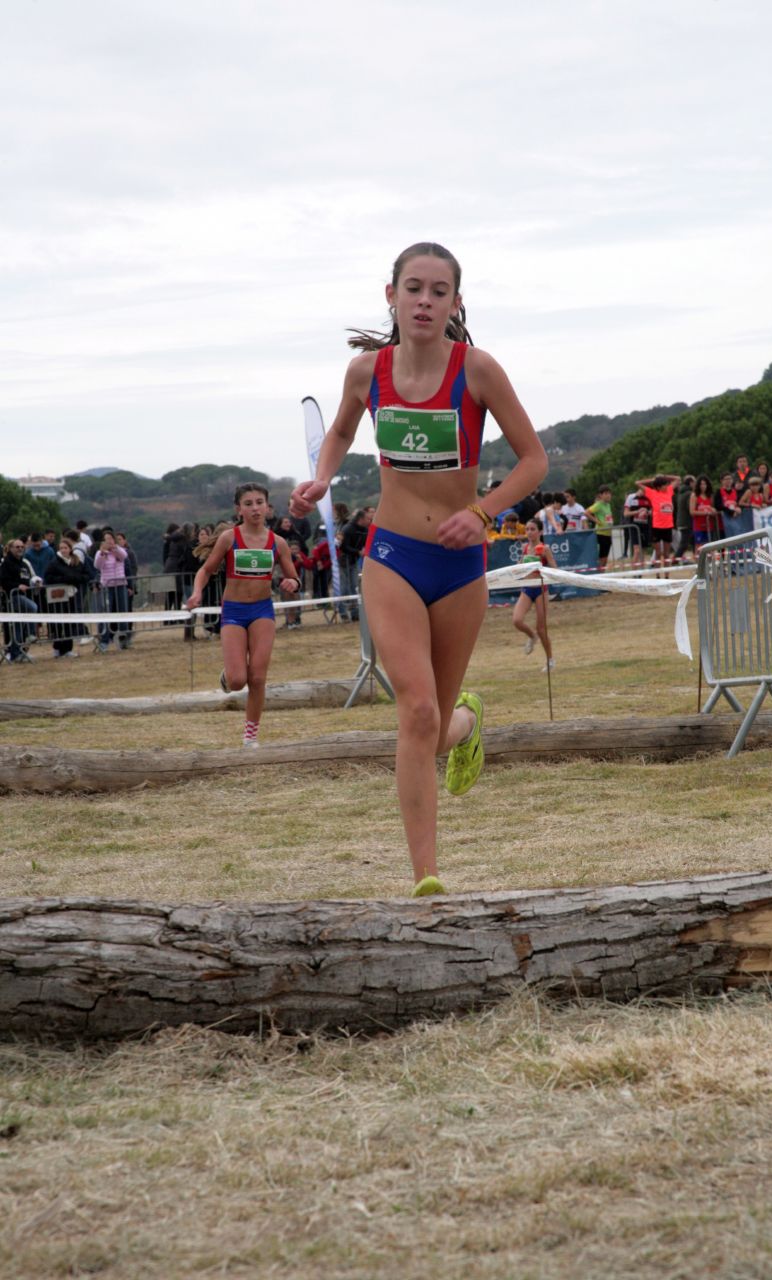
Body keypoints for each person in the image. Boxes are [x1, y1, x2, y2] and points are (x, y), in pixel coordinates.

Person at [291, 242, 546, 896]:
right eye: (413, 288)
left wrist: (484, 513)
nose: (425, 301)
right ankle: (425, 876)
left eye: (438, 291)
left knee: (433, 726)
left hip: (459, 564)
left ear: (456, 303)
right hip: (393, 556)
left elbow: (533, 461)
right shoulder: (365, 372)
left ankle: (467, 723)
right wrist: (323, 477)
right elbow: (340, 432)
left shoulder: (477, 370)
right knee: (415, 710)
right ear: (391, 295)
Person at [186, 483, 299, 748]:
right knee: (238, 681)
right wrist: (197, 592)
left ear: (267, 507)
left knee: (258, 678)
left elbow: (294, 577)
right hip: (234, 611)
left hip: (262, 610)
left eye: (259, 502)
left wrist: (293, 583)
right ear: (239, 509)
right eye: (248, 504)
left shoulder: (278, 542)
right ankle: (228, 675)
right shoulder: (229, 538)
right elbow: (206, 570)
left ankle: (250, 736)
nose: (255, 508)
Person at [512, 518, 557, 670]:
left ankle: (550, 660)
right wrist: (517, 568)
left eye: (532, 529)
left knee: (541, 628)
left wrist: (543, 560)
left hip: (540, 589)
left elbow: (555, 569)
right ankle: (532, 636)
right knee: (517, 620)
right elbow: (518, 568)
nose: (529, 532)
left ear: (540, 532)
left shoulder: (545, 548)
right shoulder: (525, 547)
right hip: (526, 588)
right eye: (527, 529)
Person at [44, 537, 87, 658]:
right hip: (58, 597)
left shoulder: (76, 561)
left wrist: (76, 579)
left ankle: (67, 649)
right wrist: (63, 579)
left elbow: (86, 574)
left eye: (65, 548)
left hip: (72, 595)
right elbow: (48, 577)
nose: (63, 550)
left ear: (70, 549)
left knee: (69, 623)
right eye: (61, 548)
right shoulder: (54, 563)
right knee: (58, 623)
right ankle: (57, 648)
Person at [1, 538, 39, 662]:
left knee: (17, 626)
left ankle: (16, 653)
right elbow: (4, 581)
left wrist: (34, 583)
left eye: (22, 547)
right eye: (17, 547)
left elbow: (27, 579)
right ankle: (30, 633)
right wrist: (17, 586)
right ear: (11, 549)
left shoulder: (23, 563)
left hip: (23, 596)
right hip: (12, 597)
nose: (20, 549)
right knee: (33, 607)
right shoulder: (6, 563)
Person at [94, 531, 130, 651]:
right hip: (107, 586)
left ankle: (123, 639)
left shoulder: (119, 550)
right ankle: (104, 640)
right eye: (106, 539)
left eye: (110, 538)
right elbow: (97, 565)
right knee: (106, 612)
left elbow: (124, 556)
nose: (109, 541)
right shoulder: (100, 553)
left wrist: (115, 548)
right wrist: (102, 553)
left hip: (120, 585)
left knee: (123, 612)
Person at [636, 473, 680, 572]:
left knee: (667, 554)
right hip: (657, 527)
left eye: (666, 484)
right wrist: (653, 480)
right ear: (659, 487)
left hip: (668, 527)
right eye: (664, 485)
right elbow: (637, 483)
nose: (666, 486)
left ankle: (667, 576)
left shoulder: (669, 491)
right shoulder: (652, 493)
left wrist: (664, 476)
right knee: (658, 553)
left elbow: (677, 479)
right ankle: (658, 574)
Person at [584, 485, 613, 570]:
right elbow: (586, 512)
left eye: (609, 493)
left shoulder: (608, 505)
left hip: (608, 534)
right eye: (606, 493)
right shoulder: (599, 504)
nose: (608, 495)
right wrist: (596, 521)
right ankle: (599, 574)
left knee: (605, 558)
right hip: (601, 534)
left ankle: (602, 573)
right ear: (600, 495)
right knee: (602, 558)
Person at [689, 475, 718, 550]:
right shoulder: (695, 495)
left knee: (709, 546)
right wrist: (706, 513)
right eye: (701, 484)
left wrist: (713, 511)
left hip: (709, 525)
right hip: (698, 526)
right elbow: (692, 512)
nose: (703, 486)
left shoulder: (710, 496)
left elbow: (712, 509)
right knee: (699, 547)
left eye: (704, 484)